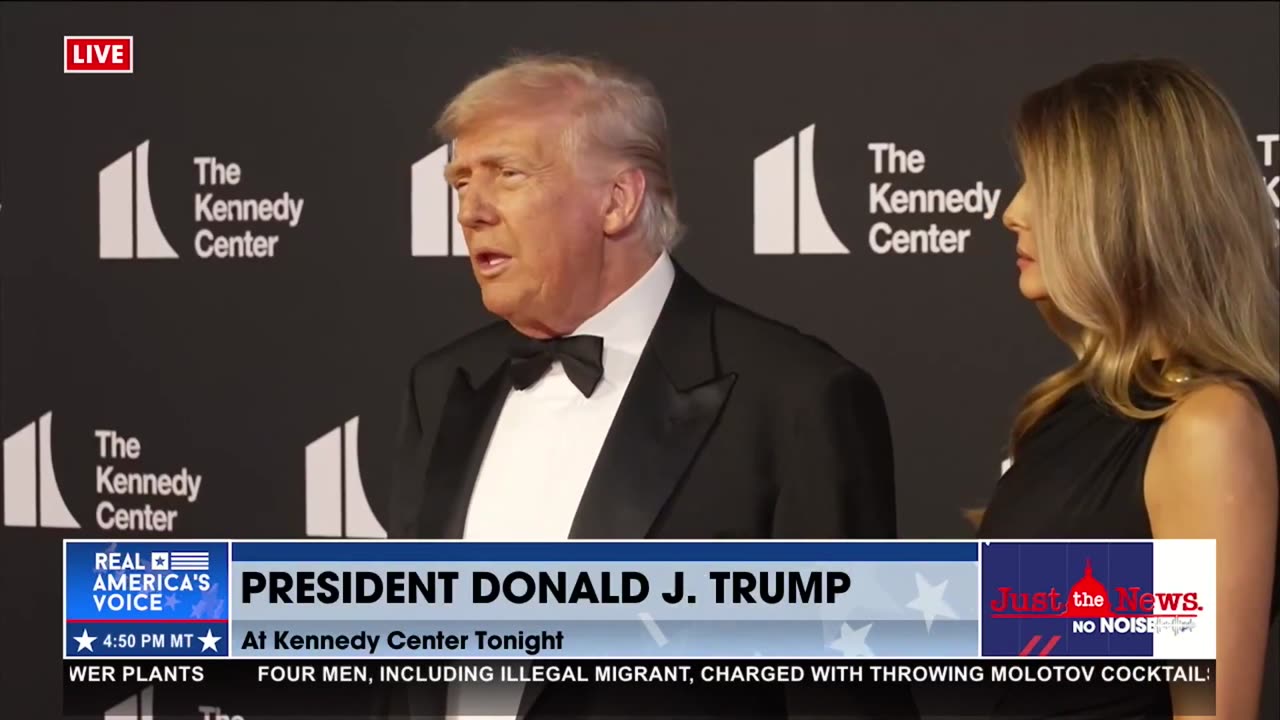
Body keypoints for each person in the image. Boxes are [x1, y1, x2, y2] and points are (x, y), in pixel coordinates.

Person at [381, 54, 908, 720]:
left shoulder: (795, 398)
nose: (472, 212)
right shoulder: (442, 386)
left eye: (508, 175)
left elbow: (839, 699)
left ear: (617, 201)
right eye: (460, 183)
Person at [980, 58, 1280, 719]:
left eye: (1044, 185)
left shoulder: (1209, 428)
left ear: (1127, 211)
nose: (1012, 211)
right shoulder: (1068, 411)